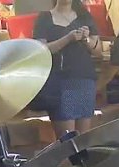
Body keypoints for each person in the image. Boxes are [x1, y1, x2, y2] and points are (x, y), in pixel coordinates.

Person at [33, 0, 103, 137]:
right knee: (67, 141)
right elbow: (40, 50)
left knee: (83, 140)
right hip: (60, 82)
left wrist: (86, 39)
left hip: (84, 79)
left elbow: (98, 50)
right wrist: (68, 39)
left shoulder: (84, 16)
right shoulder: (45, 18)